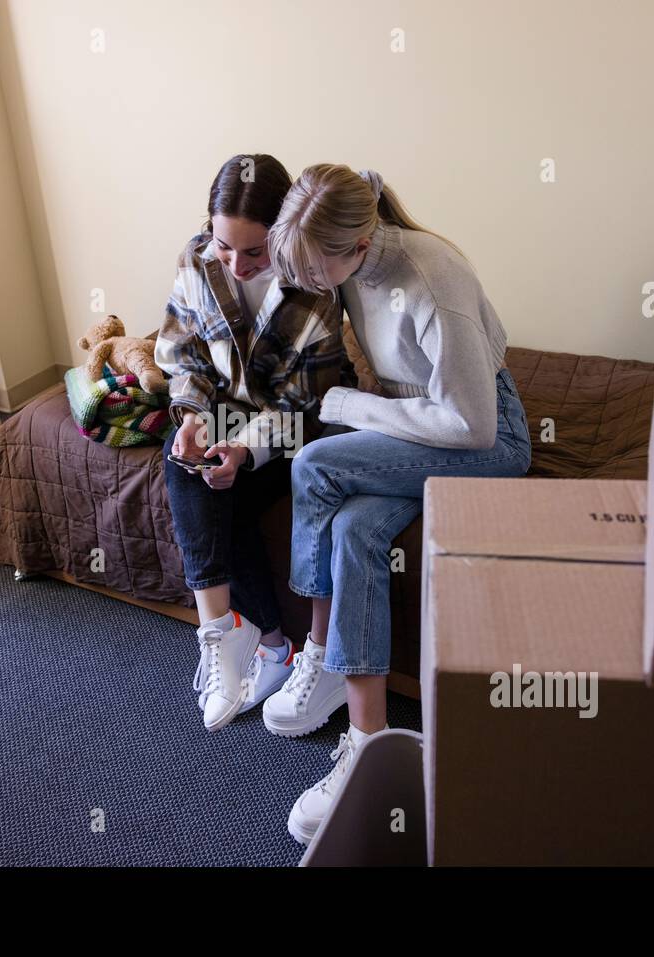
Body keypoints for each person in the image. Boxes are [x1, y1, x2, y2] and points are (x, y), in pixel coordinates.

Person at [265, 163, 532, 844]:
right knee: (355, 528)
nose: (309, 284)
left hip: (488, 440)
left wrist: (356, 407)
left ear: (357, 247)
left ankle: (319, 649)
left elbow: (473, 427)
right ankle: (366, 739)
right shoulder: (349, 257)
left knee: (318, 460)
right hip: (420, 424)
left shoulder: (432, 281)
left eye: (315, 271)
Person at [155, 154, 352, 732]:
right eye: (224, 246)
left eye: (254, 251)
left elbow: (304, 410)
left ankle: (259, 643)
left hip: (292, 423)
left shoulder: (314, 295)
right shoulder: (196, 260)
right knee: (183, 458)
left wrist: (244, 450)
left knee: (229, 485)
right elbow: (181, 355)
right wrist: (192, 417)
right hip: (222, 409)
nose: (236, 264)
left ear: (282, 237)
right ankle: (231, 635)